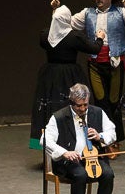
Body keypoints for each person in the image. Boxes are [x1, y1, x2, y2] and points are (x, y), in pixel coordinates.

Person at [49, 0, 125, 149]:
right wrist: (55, 10)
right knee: (100, 101)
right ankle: (100, 140)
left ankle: (114, 139)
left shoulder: (120, 12)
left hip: (115, 63)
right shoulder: (87, 13)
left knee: (114, 102)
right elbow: (65, 22)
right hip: (95, 63)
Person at [43, 83, 116, 194]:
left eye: (85, 105)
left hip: (92, 158)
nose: (83, 109)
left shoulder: (98, 112)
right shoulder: (59, 117)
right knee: (80, 174)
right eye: (79, 106)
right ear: (71, 103)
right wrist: (65, 152)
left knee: (108, 174)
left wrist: (99, 136)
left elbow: (112, 132)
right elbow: (45, 140)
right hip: (69, 162)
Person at [31, 12, 100, 151]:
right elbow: (94, 49)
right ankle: (73, 141)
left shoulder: (45, 35)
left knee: (50, 106)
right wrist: (100, 38)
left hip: (50, 75)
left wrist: (54, 12)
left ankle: (51, 144)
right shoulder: (74, 37)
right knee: (73, 104)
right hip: (70, 75)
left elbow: (55, 29)